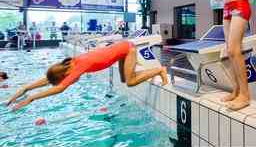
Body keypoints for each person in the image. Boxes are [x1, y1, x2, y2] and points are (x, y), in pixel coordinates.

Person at [7, 40, 168, 110]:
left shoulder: (77, 68)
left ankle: (160, 70)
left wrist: (31, 98)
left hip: (128, 49)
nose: (66, 82)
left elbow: (59, 88)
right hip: (122, 50)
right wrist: (26, 88)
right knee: (125, 78)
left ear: (63, 76)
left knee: (130, 82)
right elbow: (50, 81)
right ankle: (140, 69)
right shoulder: (69, 64)